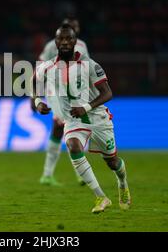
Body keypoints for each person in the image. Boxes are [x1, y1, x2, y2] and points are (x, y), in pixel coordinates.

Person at [32, 24, 131, 213]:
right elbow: (34, 80)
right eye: (61, 39)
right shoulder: (48, 66)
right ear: (56, 41)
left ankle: (122, 182)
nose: (65, 42)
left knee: (112, 162)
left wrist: (85, 107)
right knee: (72, 145)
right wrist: (37, 101)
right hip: (74, 120)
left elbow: (107, 93)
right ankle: (101, 197)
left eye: (69, 39)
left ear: (75, 41)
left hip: (98, 118)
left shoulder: (90, 65)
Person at [35, 18, 89, 186]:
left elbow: (87, 68)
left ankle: (48, 175)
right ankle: (76, 174)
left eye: (74, 26)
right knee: (66, 126)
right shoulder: (52, 45)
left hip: (76, 93)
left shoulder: (82, 46)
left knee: (65, 129)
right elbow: (40, 67)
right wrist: (35, 97)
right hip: (55, 91)